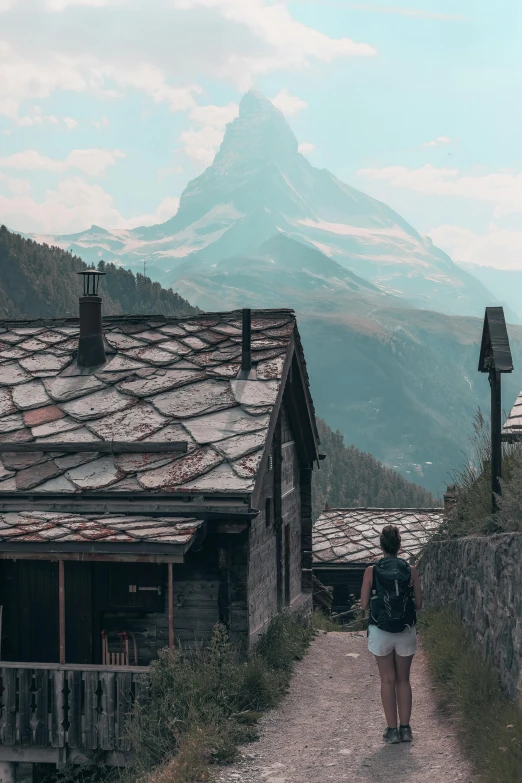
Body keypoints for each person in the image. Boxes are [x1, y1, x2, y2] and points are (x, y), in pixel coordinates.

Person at [359, 525, 422, 745]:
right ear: (399, 545)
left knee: (387, 680)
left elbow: (364, 605)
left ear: (381, 545)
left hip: (381, 630)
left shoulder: (371, 571)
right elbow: (420, 604)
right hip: (405, 630)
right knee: (404, 680)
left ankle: (392, 731)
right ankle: (406, 729)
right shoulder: (410, 570)